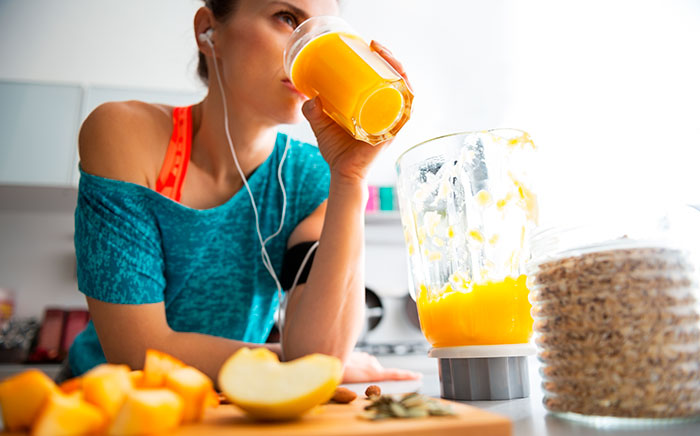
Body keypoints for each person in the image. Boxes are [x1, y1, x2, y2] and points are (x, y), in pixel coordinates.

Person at [63, 0, 420, 385]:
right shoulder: (125, 133)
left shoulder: (312, 177)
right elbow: (136, 351)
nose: (309, 47)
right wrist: (291, 363)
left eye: (325, 31)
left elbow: (319, 354)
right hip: (105, 406)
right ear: (208, 31)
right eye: (287, 18)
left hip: (227, 409)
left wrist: (351, 178)